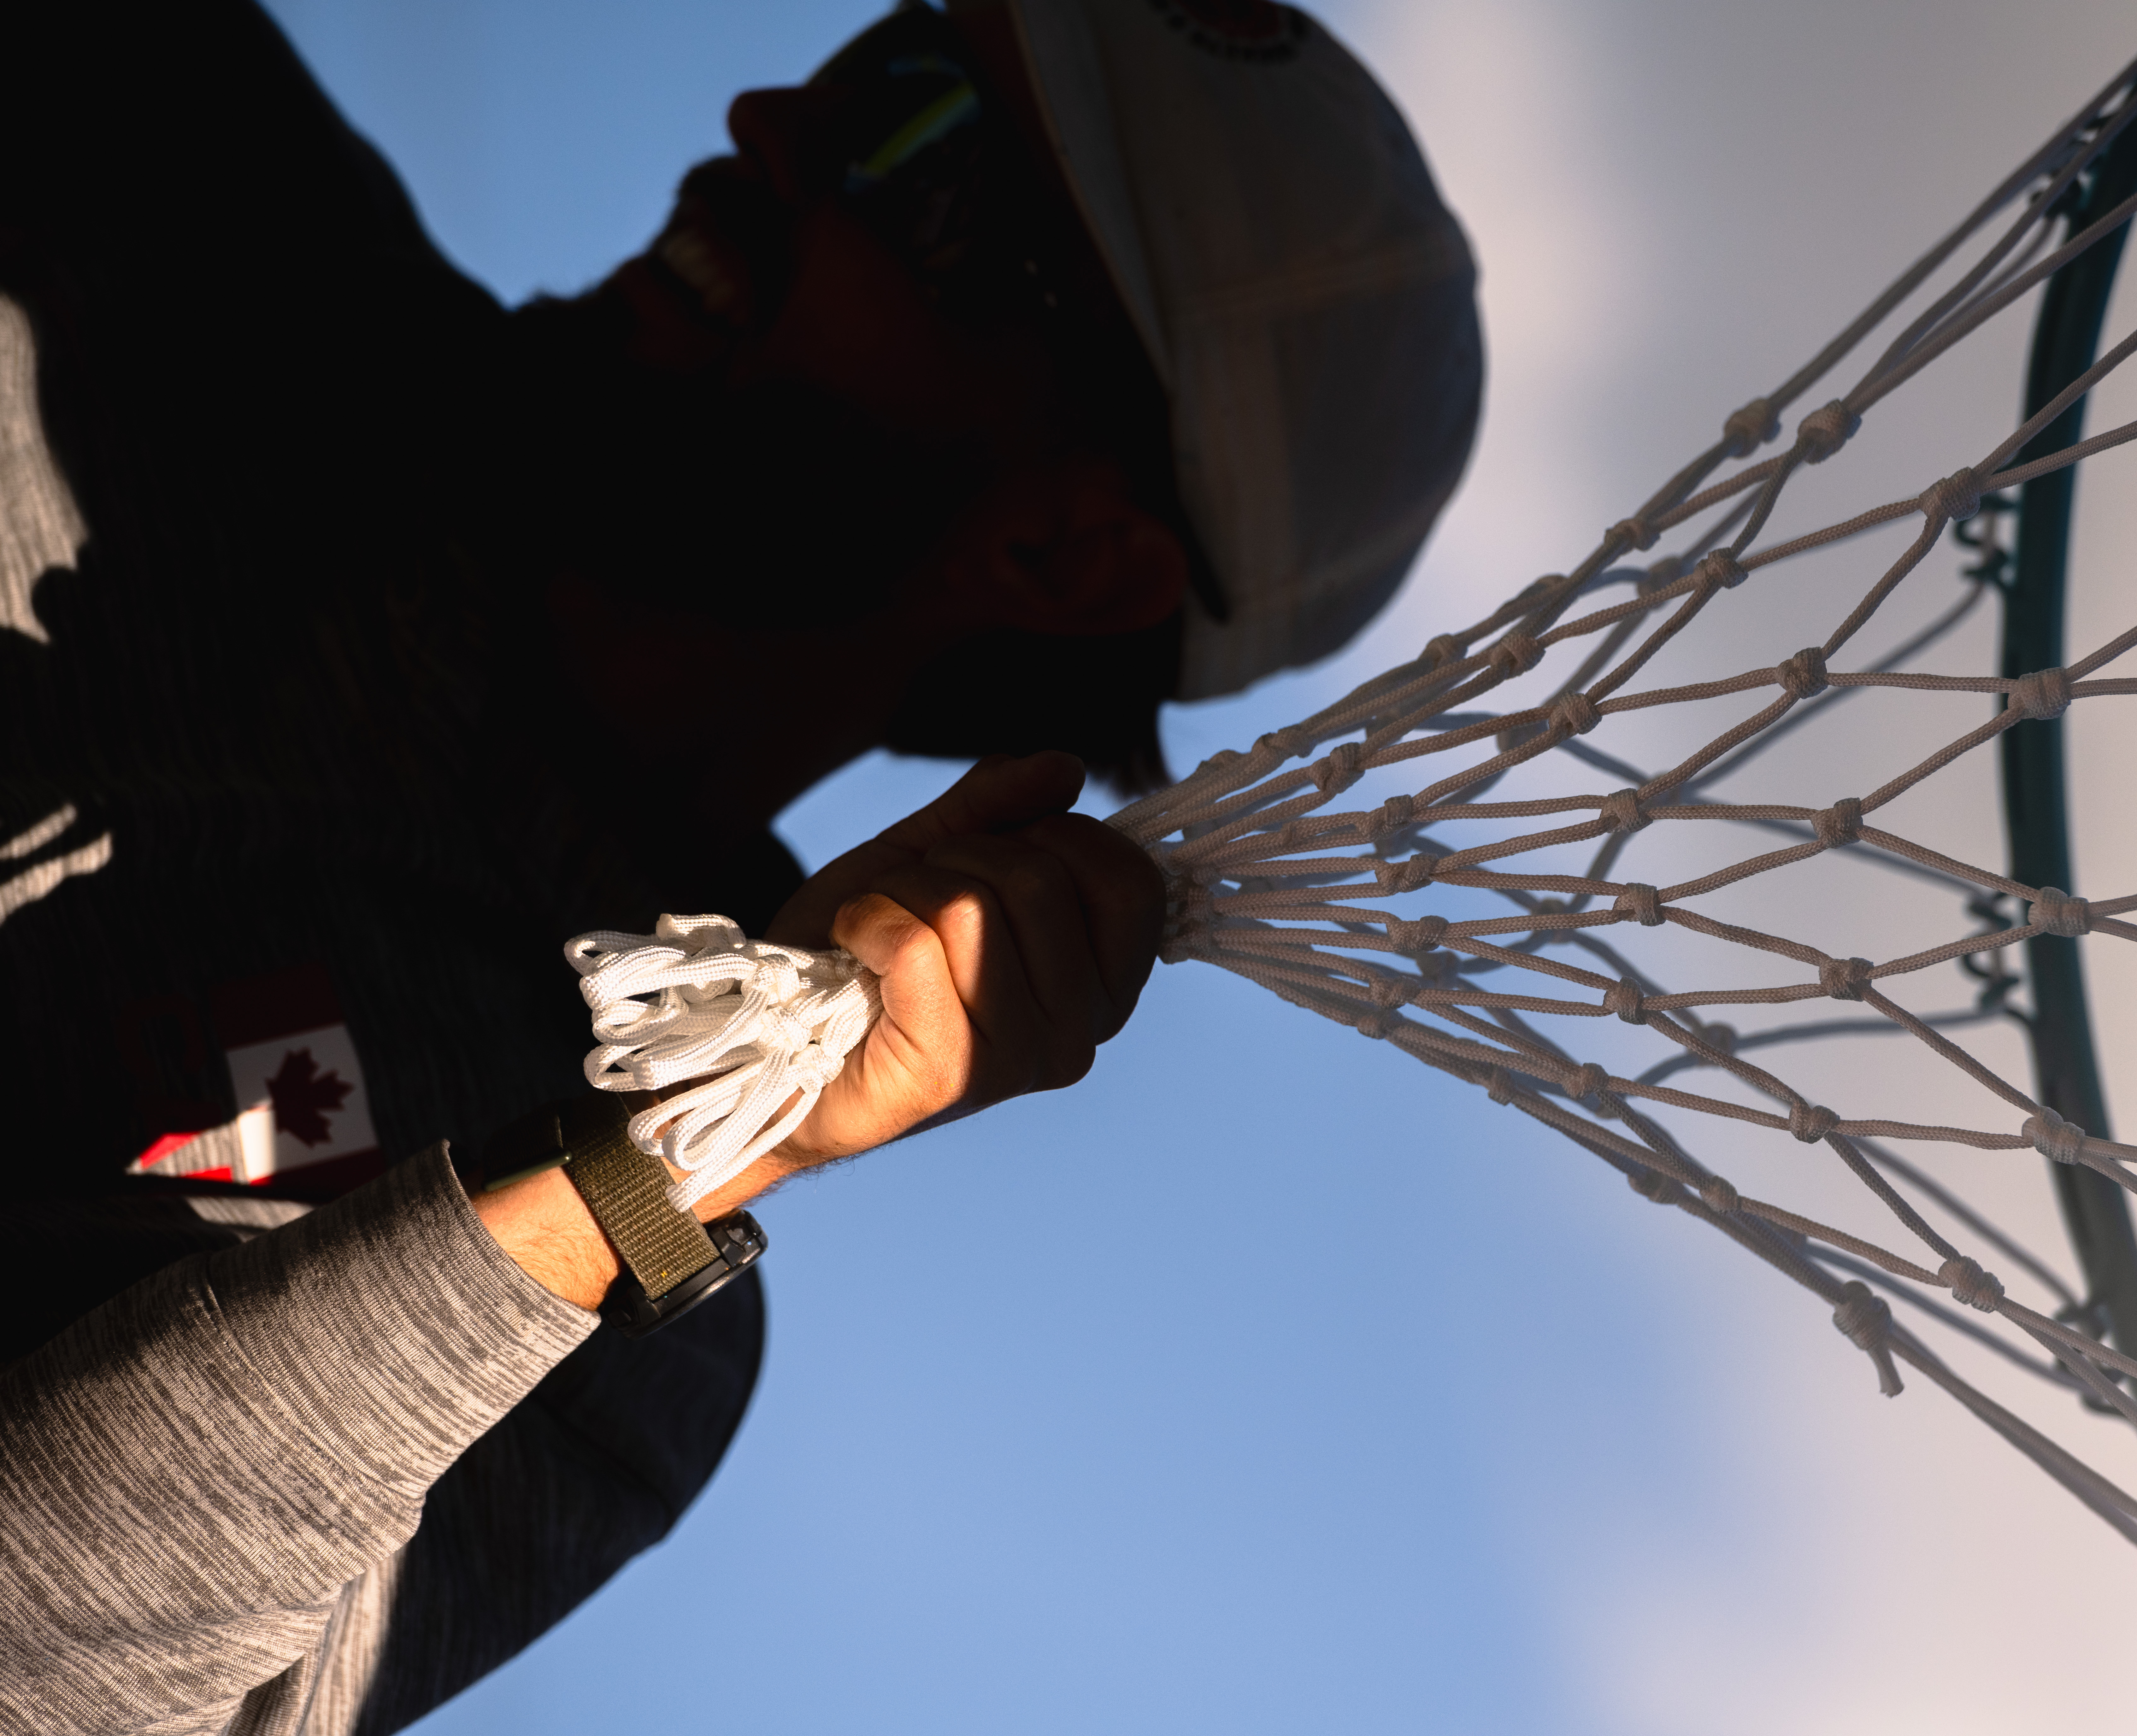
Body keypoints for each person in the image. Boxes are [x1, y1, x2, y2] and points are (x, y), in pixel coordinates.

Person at [0, 0, 1480, 1728]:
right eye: (876, 59)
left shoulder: (631, 1348)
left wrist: (673, 1147)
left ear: (1063, 549)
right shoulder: (172, 160)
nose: (772, 120)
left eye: (928, 159)